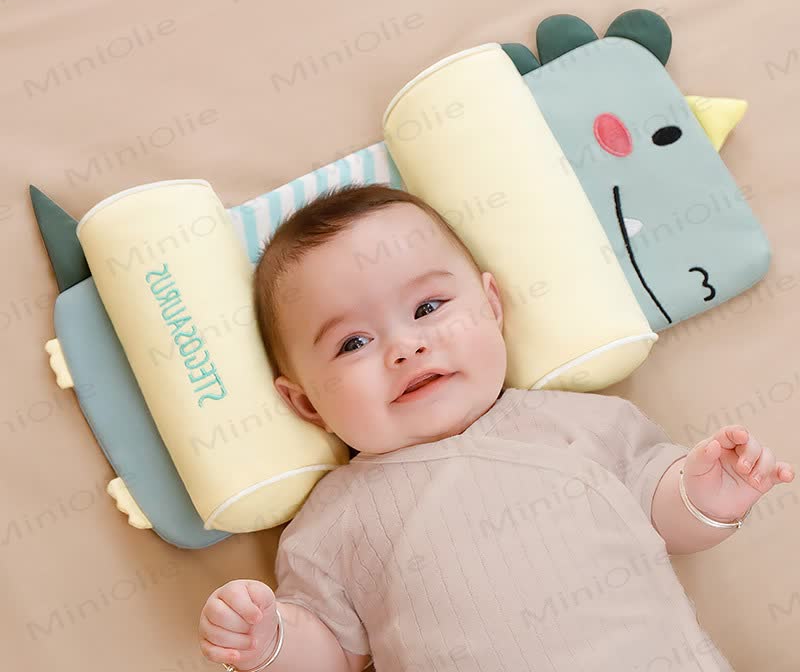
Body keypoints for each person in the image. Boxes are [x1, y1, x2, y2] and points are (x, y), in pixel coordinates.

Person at [198, 183, 794, 672]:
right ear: (305, 403)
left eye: (428, 308)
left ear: (491, 305)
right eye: (353, 343)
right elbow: (333, 653)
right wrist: (270, 641)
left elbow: (665, 518)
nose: (405, 346)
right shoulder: (333, 521)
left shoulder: (579, 422)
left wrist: (704, 496)